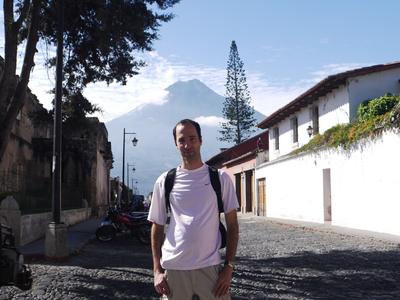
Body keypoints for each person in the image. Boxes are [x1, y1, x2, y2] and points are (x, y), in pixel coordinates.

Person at [148, 119, 239, 299]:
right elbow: (157, 227)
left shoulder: (220, 179)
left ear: (201, 140)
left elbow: (233, 227)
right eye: (181, 140)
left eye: (192, 138)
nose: (187, 144)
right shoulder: (165, 181)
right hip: (174, 269)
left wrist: (228, 268)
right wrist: (157, 271)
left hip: (211, 269)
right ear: (176, 144)